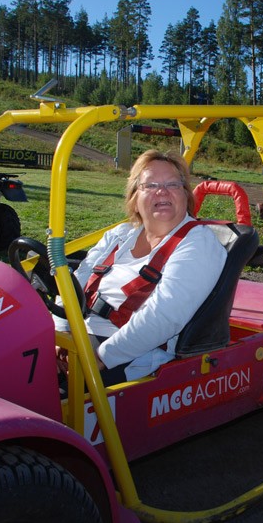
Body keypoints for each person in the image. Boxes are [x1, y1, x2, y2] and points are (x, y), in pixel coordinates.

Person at [54, 149, 227, 386]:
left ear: (186, 196)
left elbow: (165, 315)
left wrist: (100, 358)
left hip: (126, 353)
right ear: (135, 198)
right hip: (79, 335)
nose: (162, 191)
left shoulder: (198, 243)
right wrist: (61, 333)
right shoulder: (120, 235)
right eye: (151, 185)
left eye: (173, 184)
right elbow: (75, 283)